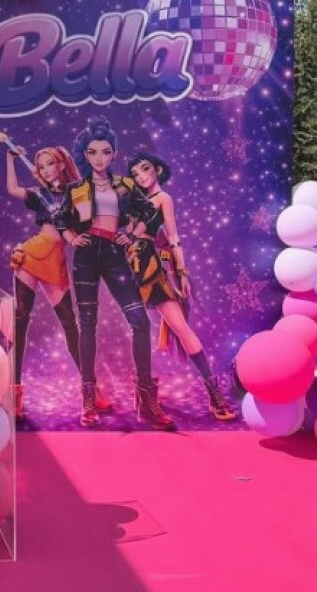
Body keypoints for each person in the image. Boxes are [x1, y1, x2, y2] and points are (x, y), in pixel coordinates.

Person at [60, 117, 175, 430]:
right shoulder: (75, 189)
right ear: (85, 155)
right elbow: (60, 219)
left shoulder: (125, 185)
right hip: (86, 256)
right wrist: (71, 237)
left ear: (113, 154)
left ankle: (146, 399)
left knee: (140, 321)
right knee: (88, 325)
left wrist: (133, 234)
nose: (99, 158)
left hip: (113, 253)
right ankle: (88, 397)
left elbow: (150, 213)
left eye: (106, 152)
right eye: (93, 152)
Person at [0, 132, 112, 421]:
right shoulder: (39, 195)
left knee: (70, 325)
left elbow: (89, 220)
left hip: (57, 261)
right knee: (21, 321)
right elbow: (12, 188)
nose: (46, 170)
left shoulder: (76, 192)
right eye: (42, 166)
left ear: (60, 164)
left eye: (50, 163)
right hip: (32, 255)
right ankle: (15, 392)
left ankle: (91, 389)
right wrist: (10, 158)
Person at [125, 151, 237, 421]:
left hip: (148, 267)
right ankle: (144, 394)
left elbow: (172, 236)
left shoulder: (163, 198)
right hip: (126, 264)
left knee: (181, 327)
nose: (141, 176)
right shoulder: (134, 200)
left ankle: (213, 392)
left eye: (145, 169)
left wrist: (181, 271)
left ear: (157, 169)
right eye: (135, 174)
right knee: (137, 329)